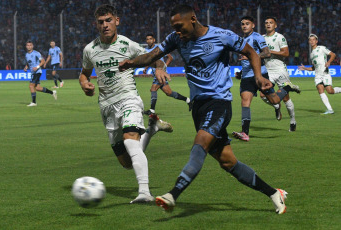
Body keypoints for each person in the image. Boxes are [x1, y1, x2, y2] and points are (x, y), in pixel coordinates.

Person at [119, 5, 288, 214]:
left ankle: (173, 194)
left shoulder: (222, 36)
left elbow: (251, 52)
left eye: (180, 26)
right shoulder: (176, 38)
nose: (177, 31)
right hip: (198, 107)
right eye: (174, 27)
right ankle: (274, 193)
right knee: (228, 162)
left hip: (219, 103)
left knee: (200, 143)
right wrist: (131, 63)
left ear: (193, 19)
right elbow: (151, 55)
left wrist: (258, 76)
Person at [79, 4, 173, 204]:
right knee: (127, 163)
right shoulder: (90, 49)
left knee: (131, 140)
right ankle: (152, 129)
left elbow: (154, 56)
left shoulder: (127, 45)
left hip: (128, 98)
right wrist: (84, 83)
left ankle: (144, 192)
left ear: (117, 21)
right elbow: (84, 73)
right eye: (101, 22)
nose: (105, 25)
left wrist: (159, 67)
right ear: (96, 24)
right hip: (106, 105)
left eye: (109, 20)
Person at [232, 16, 300, 141]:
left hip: (261, 74)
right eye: (242, 24)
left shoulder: (257, 37)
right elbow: (246, 61)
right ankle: (245, 133)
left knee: (274, 101)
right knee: (245, 101)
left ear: (253, 25)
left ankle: (287, 87)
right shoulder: (241, 40)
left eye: (247, 23)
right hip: (247, 76)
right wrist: (241, 73)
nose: (244, 26)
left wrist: (252, 56)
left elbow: (267, 53)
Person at [263, 16, 298, 132]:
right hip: (268, 71)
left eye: (271, 23)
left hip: (280, 71)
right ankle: (276, 106)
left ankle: (293, 121)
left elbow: (286, 53)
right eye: (266, 23)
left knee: (286, 98)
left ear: (275, 25)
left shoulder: (280, 37)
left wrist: (270, 51)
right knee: (263, 94)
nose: (268, 24)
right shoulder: (261, 38)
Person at [143, 33, 192, 115]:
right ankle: (188, 100)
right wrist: (146, 68)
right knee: (169, 93)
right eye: (147, 39)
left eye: (150, 38)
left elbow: (170, 57)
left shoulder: (159, 49)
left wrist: (164, 67)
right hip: (155, 74)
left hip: (160, 74)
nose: (149, 40)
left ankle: (152, 110)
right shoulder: (146, 50)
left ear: (154, 40)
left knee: (153, 89)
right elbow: (149, 60)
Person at [299, 34, 341, 114]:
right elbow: (313, 68)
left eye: (313, 40)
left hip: (325, 73)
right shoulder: (311, 54)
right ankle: (330, 109)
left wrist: (328, 62)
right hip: (317, 75)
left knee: (330, 91)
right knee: (320, 90)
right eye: (310, 40)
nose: (311, 41)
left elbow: (333, 54)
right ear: (308, 42)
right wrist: (305, 68)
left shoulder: (321, 48)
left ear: (316, 41)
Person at [24, 40, 57, 107]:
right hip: (33, 72)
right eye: (28, 45)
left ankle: (34, 102)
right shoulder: (26, 55)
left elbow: (43, 61)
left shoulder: (36, 53)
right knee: (38, 88)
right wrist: (26, 67)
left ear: (32, 46)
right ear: (26, 46)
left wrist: (37, 67)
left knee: (31, 86)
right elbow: (28, 62)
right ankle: (52, 92)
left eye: (30, 45)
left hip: (37, 72)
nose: (29, 46)